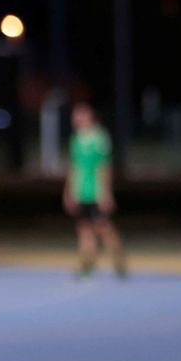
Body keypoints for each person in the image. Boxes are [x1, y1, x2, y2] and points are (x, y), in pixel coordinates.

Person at [63, 103, 127, 279]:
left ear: (90, 117)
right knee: (84, 228)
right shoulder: (75, 139)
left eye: (81, 115)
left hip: (96, 191)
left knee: (103, 227)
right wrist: (68, 192)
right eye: (75, 115)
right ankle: (86, 264)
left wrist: (105, 192)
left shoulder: (100, 137)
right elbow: (73, 167)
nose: (76, 119)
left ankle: (119, 261)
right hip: (80, 191)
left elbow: (104, 167)